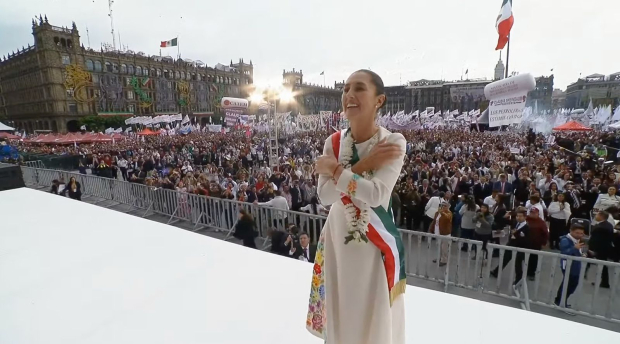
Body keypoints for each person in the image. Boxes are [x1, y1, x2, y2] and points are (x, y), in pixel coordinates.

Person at [306, 70, 406, 344]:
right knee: (342, 309)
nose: (349, 94)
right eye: (346, 88)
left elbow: (375, 195)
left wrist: (336, 170)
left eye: (359, 88)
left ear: (379, 100)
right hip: (338, 236)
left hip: (373, 242)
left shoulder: (393, 142)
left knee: (370, 313)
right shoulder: (334, 142)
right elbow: (325, 196)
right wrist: (362, 166)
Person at [490, 208, 530, 295]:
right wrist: (505, 216)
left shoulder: (527, 227)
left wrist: (517, 235)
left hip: (519, 248)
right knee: (505, 259)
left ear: (525, 217)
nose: (518, 218)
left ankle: (518, 279)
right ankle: (496, 271)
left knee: (518, 264)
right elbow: (503, 221)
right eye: (517, 216)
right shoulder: (515, 223)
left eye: (520, 216)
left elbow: (527, 240)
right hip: (511, 245)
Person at [554, 224, 587, 309]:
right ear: (571, 231)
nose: (579, 235)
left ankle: (561, 301)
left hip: (575, 265)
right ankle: (560, 301)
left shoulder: (577, 240)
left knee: (572, 283)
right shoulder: (565, 240)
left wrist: (582, 253)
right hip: (569, 265)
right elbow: (564, 252)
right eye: (577, 233)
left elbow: (578, 251)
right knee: (567, 284)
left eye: (581, 233)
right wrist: (574, 248)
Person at [587, 210, 614, 288]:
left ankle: (605, 282)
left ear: (601, 216)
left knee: (602, 265)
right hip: (603, 248)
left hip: (601, 249)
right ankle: (604, 282)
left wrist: (593, 248)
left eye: (597, 215)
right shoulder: (607, 225)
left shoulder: (601, 227)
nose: (595, 216)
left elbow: (597, 239)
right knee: (602, 265)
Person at [429, 201, 454, 266]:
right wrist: (431, 228)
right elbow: (434, 221)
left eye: (445, 206)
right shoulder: (437, 213)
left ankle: (444, 260)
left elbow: (447, 218)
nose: (443, 207)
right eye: (442, 205)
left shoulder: (449, 213)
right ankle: (439, 257)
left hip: (445, 233)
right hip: (437, 232)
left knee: (444, 248)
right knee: (438, 246)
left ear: (448, 207)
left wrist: (442, 213)